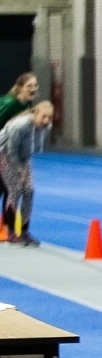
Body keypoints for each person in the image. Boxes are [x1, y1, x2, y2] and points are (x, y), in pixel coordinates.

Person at [0, 99, 50, 245]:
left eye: (49, 118)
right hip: (4, 153)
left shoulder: (46, 126)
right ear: (35, 114)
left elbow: (32, 148)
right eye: (43, 117)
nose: (46, 120)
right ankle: (9, 231)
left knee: (29, 190)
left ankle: (23, 230)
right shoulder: (20, 125)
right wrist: (20, 170)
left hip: (22, 156)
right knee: (14, 190)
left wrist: (25, 168)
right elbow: (11, 149)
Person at [0, 73, 37, 231]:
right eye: (29, 86)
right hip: (3, 149)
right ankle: (9, 228)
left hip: (9, 151)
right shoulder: (10, 103)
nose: (33, 89)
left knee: (9, 188)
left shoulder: (26, 105)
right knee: (8, 187)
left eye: (35, 86)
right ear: (20, 87)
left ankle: (10, 228)